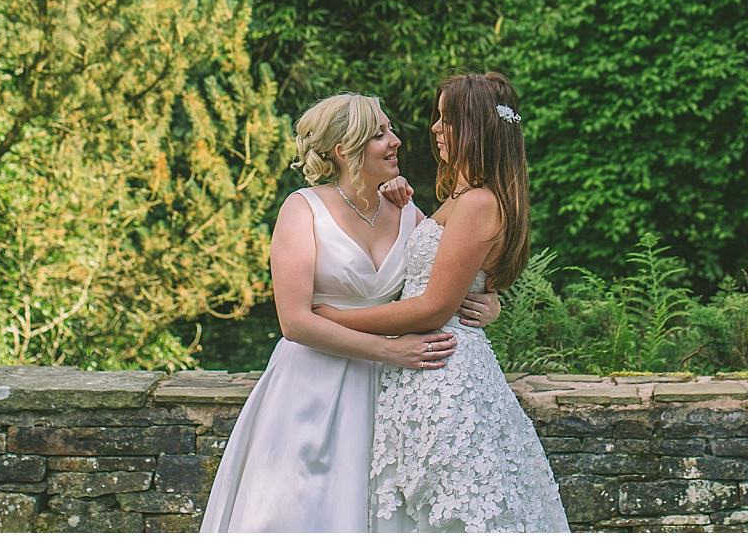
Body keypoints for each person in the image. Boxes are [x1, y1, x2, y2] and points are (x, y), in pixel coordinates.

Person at [200, 92, 503, 532]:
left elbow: (441, 281)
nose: (396, 140)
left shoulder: (407, 213)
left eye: (390, 129)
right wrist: (391, 352)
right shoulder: (303, 210)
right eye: (381, 133)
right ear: (346, 149)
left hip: (389, 396)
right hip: (311, 389)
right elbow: (295, 321)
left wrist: (488, 304)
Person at [313, 73, 569, 532]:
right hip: (424, 369)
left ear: (476, 128)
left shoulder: (477, 204)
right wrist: (400, 203)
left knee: (449, 509)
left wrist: (338, 320)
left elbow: (433, 307)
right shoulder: (464, 198)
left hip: (442, 375)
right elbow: (438, 271)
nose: (434, 128)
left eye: (447, 118)